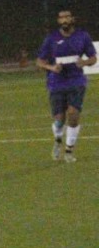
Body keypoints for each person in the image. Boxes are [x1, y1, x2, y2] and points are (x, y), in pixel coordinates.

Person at [36, 9, 96, 162]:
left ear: (72, 19)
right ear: (58, 21)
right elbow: (39, 62)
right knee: (59, 120)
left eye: (67, 17)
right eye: (61, 18)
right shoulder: (51, 39)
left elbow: (93, 57)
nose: (64, 20)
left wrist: (84, 62)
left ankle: (69, 150)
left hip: (76, 81)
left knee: (73, 114)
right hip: (56, 82)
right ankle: (57, 140)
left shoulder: (82, 36)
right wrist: (52, 68)